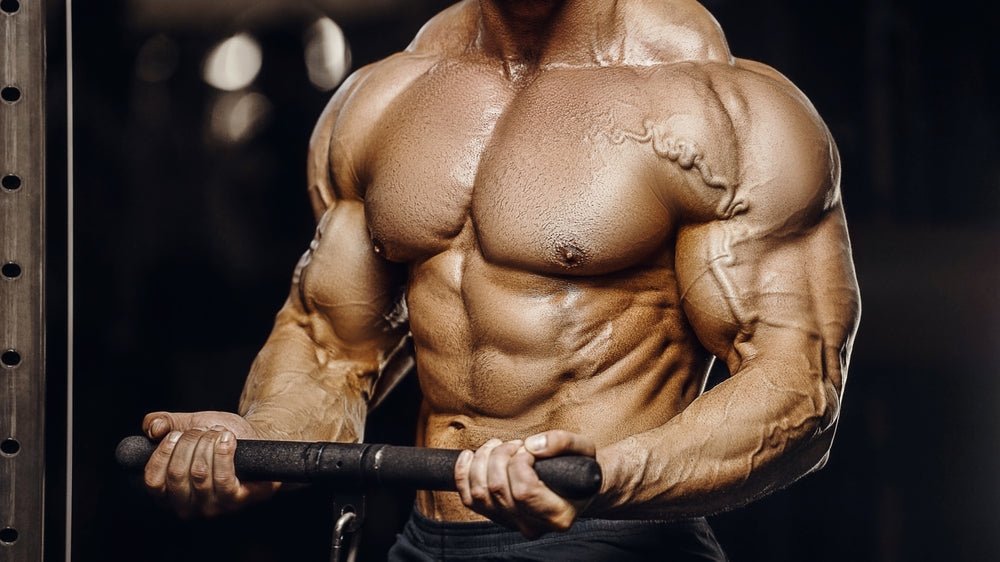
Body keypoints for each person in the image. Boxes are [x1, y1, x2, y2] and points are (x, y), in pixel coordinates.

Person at [141, 0, 860, 559]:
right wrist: (257, 445)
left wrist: (609, 474)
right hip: (426, 540)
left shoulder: (719, 106)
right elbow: (332, 347)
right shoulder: (387, 95)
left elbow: (798, 386)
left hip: (611, 543)